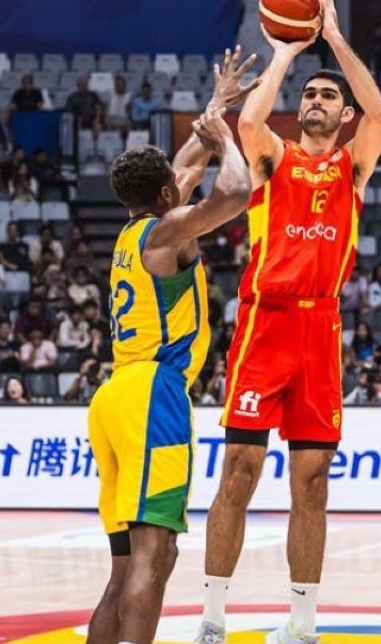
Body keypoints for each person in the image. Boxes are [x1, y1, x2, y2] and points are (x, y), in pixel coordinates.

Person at [198, 0, 381, 644]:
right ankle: (212, 619)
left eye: (325, 94)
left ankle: (302, 625)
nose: (315, 99)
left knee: (312, 484)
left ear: (341, 116)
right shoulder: (271, 161)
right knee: (239, 474)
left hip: (321, 328)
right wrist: (285, 49)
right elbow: (249, 123)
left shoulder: (352, 169)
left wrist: (332, 37)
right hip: (264, 321)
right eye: (309, 93)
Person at [88, 47, 256, 644]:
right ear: (166, 197)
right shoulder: (166, 231)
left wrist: (216, 109)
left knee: (126, 567)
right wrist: (230, 140)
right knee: (155, 561)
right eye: (176, 189)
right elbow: (235, 194)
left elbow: (186, 162)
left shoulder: (139, 229)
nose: (181, 188)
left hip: (113, 396)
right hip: (154, 395)